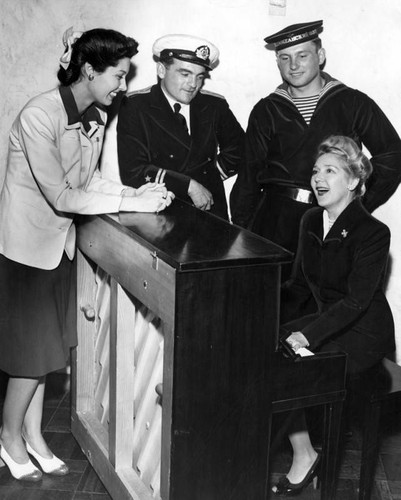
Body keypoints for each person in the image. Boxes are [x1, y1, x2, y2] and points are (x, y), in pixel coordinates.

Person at [0, 27, 173, 482]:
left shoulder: (95, 117)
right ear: (90, 70)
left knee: (49, 354)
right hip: (25, 254)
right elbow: (62, 194)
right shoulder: (40, 115)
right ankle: (8, 437)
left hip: (60, 250)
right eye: (117, 76)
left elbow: (90, 183)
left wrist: (133, 191)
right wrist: (129, 202)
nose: (122, 86)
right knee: (28, 359)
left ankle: (34, 438)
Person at [273, 135, 395, 496]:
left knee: (290, 362)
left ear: (354, 181)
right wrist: (259, 307)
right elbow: (298, 287)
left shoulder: (373, 232)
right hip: (328, 321)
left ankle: (306, 457)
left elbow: (357, 302)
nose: (318, 178)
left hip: (364, 333)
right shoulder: (310, 219)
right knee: (263, 345)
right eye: (315, 170)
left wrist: (306, 336)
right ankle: (304, 452)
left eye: (331, 170)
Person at [230, 20, 401, 259]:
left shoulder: (352, 102)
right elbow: (249, 174)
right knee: (276, 292)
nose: (294, 65)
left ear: (320, 56)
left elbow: (392, 154)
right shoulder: (267, 109)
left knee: (329, 291)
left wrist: (359, 205)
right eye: (285, 58)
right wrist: (242, 228)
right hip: (275, 220)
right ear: (277, 61)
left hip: (332, 217)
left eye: (302, 55)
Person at [117, 34, 245, 220]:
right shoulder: (136, 106)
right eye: (185, 74)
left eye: (199, 76)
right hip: (161, 210)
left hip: (209, 209)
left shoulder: (214, 105)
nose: (193, 84)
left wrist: (210, 175)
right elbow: (133, 170)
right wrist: (188, 185)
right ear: (161, 70)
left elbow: (239, 147)